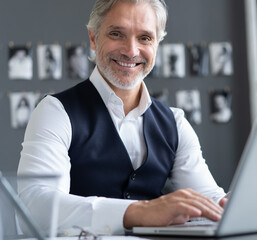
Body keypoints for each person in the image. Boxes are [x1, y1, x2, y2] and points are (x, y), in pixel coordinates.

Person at [17, 0, 227, 236]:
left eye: (145, 38)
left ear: (157, 44)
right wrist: (138, 212)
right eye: (117, 34)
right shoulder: (55, 112)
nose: (131, 50)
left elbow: (209, 199)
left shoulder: (175, 123)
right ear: (93, 38)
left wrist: (232, 205)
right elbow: (34, 209)